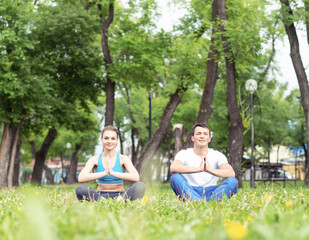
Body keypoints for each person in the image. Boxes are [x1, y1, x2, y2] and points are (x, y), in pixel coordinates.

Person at [170, 123, 238, 201]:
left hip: (212, 192)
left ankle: (205, 202)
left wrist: (209, 170)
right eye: (198, 134)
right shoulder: (183, 153)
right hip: (191, 190)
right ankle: (199, 202)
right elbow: (173, 167)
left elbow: (231, 173)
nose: (202, 136)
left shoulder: (218, 155)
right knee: (175, 177)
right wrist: (199, 169)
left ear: (209, 139)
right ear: (192, 138)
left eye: (205, 134)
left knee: (233, 181)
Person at [76, 125, 145, 202]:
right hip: (100, 196)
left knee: (140, 186)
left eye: (113, 138)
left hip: (120, 196)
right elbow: (81, 177)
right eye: (106, 138)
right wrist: (104, 173)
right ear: (101, 139)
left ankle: (120, 201)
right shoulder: (94, 159)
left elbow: (136, 177)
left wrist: (112, 173)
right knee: (80, 189)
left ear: (117, 140)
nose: (109, 141)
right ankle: (102, 201)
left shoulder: (123, 159)